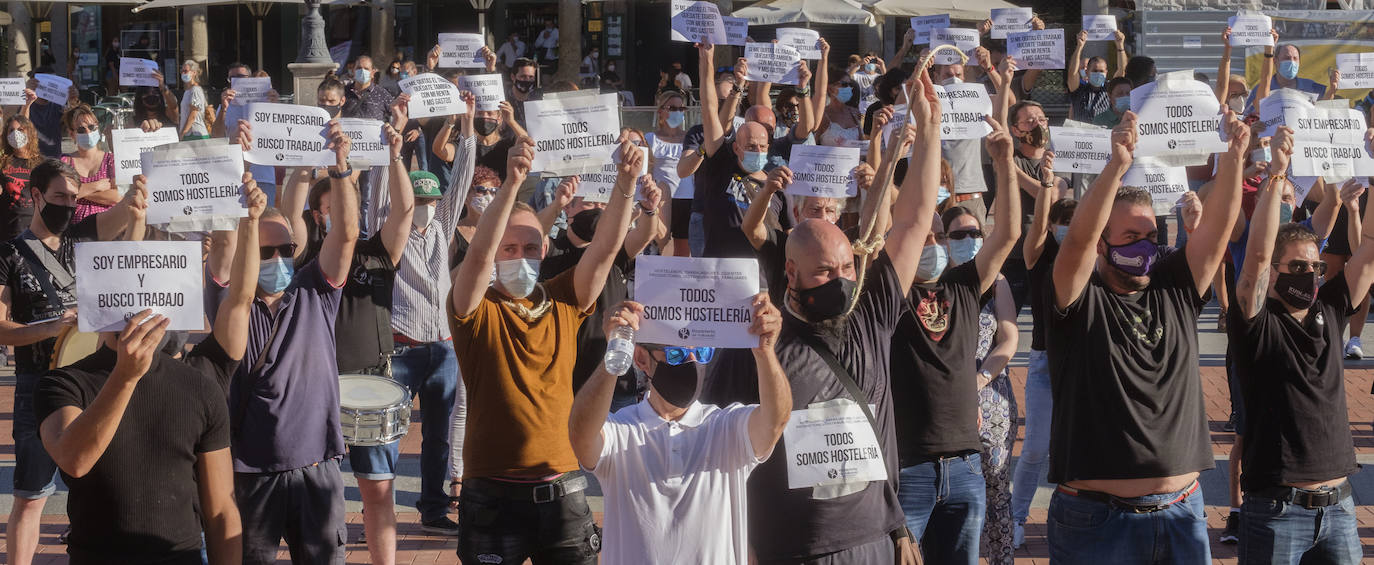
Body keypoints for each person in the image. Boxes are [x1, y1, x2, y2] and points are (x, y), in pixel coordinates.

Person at [743, 67, 946, 565]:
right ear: (789, 273)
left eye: (847, 268)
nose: (839, 280)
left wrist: (931, 129)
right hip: (792, 548)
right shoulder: (763, 337)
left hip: (873, 540)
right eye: (823, 273)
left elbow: (916, 219)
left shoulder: (869, 312)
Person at [1045, 109, 1248, 563]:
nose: (1144, 245)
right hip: (1097, 522)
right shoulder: (1077, 299)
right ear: (1104, 242)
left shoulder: (1175, 285)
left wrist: (1234, 155)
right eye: (1131, 235)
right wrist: (1116, 164)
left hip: (1182, 514)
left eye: (1151, 234)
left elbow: (1216, 234)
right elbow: (1076, 243)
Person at [34, 178, 267, 564]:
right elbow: (74, 459)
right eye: (121, 296)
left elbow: (222, 509)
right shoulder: (65, 384)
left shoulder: (199, 387)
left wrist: (249, 220)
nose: (137, 310)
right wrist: (125, 375)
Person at [447, 134, 639, 564]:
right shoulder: (474, 308)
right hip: (491, 496)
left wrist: (625, 183)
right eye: (509, 249)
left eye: (530, 248)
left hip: (563, 489)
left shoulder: (564, 298)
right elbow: (476, 259)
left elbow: (605, 250)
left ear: (545, 249)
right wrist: (512, 185)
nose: (520, 257)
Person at [890, 72, 1021, 563]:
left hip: (967, 466)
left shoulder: (966, 285)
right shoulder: (891, 291)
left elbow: (1006, 234)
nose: (929, 245)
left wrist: (1004, 163)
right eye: (920, 239)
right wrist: (918, 138)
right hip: (909, 467)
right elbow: (895, 222)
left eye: (936, 238)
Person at [0, 158, 147, 565]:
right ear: (35, 196)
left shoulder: (82, 237)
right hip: (39, 384)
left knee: (107, 489)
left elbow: (125, 215)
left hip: (94, 381)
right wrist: (52, 327)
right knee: (31, 496)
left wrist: (137, 194)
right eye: (58, 197)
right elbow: (0, 328)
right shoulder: (8, 255)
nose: (67, 205)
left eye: (72, 197)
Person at [1231, 127, 1367, 565]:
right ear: (1274, 273)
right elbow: (1255, 257)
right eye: (1297, 266)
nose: (1309, 273)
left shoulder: (1330, 307)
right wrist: (1276, 176)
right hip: (1276, 509)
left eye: (1315, 266)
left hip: (1340, 504)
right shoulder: (1256, 321)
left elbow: (1369, 255)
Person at [567, 295, 788, 564]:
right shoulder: (621, 431)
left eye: (702, 352)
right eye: (676, 354)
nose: (692, 362)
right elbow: (581, 434)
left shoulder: (726, 427)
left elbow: (775, 420)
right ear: (641, 359)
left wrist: (765, 351)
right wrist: (616, 349)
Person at [229, 123, 359, 564]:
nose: (279, 259)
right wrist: (234, 163)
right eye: (266, 252)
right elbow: (225, 239)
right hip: (251, 474)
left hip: (317, 469)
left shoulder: (314, 291)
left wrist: (340, 171)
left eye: (286, 249)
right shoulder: (232, 305)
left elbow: (345, 236)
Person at [1012, 187, 1076, 548]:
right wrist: (1048, 185)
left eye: (1073, 222)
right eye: (1062, 222)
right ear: (1051, 225)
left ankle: (1075, 518)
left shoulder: (1090, 258)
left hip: (1082, 367)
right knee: (1035, 448)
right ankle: (1017, 517)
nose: (1068, 227)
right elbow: (1034, 229)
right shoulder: (1039, 256)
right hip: (1044, 363)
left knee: (1079, 448)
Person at [59, 105, 117, 223]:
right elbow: (61, 196)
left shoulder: (111, 160)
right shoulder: (64, 162)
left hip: (107, 228)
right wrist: (96, 186)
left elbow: (116, 197)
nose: (88, 132)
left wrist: (78, 193)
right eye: (81, 129)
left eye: (91, 127)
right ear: (72, 135)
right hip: (73, 229)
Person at [1066, 29, 1127, 122]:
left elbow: (1122, 70)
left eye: (1101, 71)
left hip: (1104, 133)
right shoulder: (1079, 90)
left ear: (1106, 72)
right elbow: (1072, 73)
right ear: (1087, 72)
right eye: (1094, 71)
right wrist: (1079, 47)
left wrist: (1120, 45)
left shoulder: (1110, 89)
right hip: (1082, 134)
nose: (1098, 74)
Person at [0, 116, 45, 241]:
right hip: (7, 231)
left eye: (21, 130)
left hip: (35, 231)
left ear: (29, 133)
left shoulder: (42, 163)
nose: (16, 134)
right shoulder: (2, 162)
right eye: (11, 130)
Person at [21, 67, 78, 159]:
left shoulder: (58, 106)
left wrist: (73, 101)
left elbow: (74, 123)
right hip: (30, 159)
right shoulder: (25, 105)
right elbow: (19, 124)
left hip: (54, 159)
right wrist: (25, 95)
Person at [506, 57, 543, 129]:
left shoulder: (539, 99)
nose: (527, 80)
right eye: (523, 76)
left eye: (531, 77)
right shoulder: (504, 98)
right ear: (513, 77)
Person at [178, 60, 210, 140]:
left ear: (194, 73)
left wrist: (183, 132)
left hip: (195, 134)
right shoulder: (187, 91)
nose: (183, 73)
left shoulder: (195, 90)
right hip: (189, 134)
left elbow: (193, 114)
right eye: (182, 71)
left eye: (186, 71)